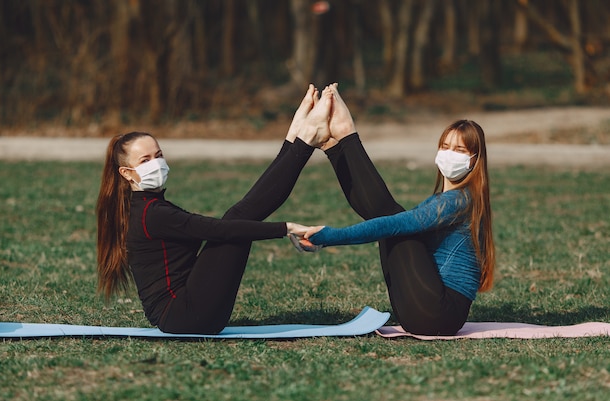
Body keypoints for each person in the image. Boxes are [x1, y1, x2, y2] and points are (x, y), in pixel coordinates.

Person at [96, 84, 333, 334]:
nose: (156, 164)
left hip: (185, 313)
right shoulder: (151, 214)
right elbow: (216, 230)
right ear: (126, 174)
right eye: (145, 161)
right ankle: (302, 142)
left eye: (158, 155)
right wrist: (286, 228)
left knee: (236, 221)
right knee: (234, 223)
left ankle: (298, 140)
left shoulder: (148, 207)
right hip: (184, 316)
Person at [303, 84, 495, 336]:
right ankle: (335, 145)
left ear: (474, 160)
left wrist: (328, 237)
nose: (449, 154)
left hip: (439, 313)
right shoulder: (443, 199)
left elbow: (392, 222)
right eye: (445, 147)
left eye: (459, 150)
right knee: (389, 218)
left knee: (393, 218)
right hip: (422, 310)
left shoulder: (459, 201)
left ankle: (345, 138)